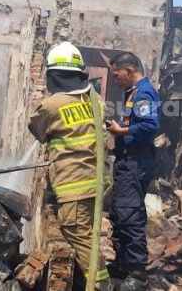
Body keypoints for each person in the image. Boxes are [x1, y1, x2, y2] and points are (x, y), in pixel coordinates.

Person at [28, 42, 110, 291]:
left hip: (74, 182)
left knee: (78, 233)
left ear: (53, 76)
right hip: (97, 181)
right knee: (89, 233)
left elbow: (37, 131)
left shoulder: (51, 105)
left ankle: (99, 286)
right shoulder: (96, 100)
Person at [106, 52, 160, 291]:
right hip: (126, 162)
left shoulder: (144, 92)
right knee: (119, 212)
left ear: (129, 71)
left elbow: (151, 125)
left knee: (129, 214)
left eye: (117, 75)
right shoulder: (134, 92)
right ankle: (123, 264)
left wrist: (121, 132)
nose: (116, 81)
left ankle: (138, 275)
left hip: (136, 162)